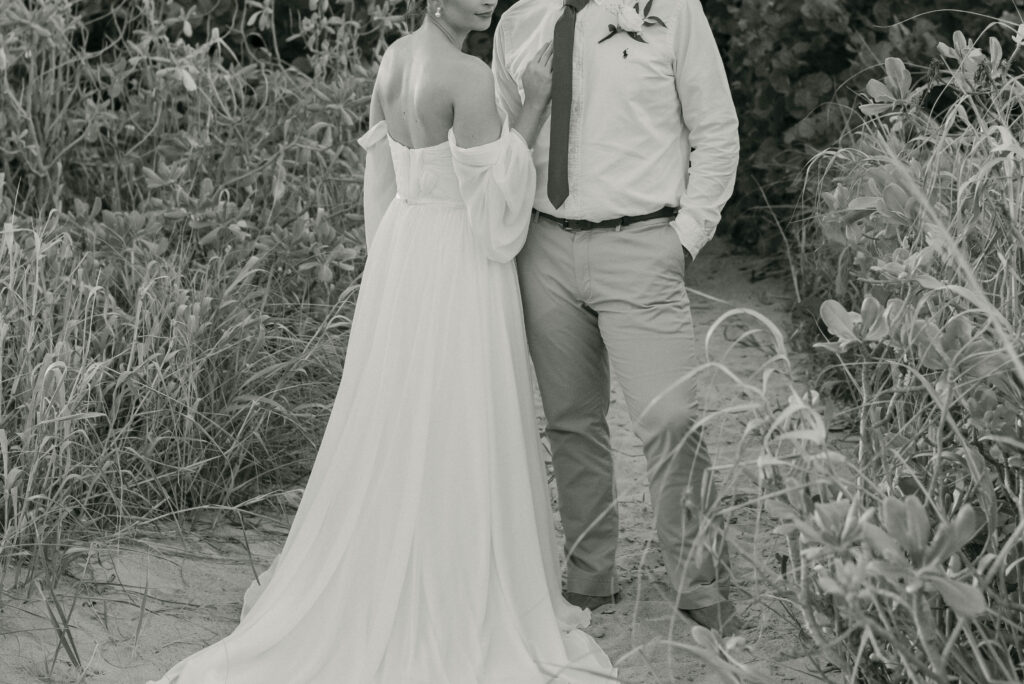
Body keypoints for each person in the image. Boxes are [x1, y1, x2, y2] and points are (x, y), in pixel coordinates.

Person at [147, 0, 616, 680]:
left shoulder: (395, 60)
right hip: (457, 261)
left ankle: (396, 554)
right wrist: (535, 109)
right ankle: (452, 576)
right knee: (459, 417)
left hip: (404, 252)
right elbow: (496, 212)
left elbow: (380, 170)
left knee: (398, 419)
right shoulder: (468, 76)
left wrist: (388, 262)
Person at [492, 0, 741, 633]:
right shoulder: (520, 20)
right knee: (571, 422)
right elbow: (504, 141)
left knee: (670, 418)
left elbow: (716, 127)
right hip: (542, 245)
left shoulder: (674, 11)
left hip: (642, 243)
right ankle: (589, 573)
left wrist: (684, 236)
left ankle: (695, 573)